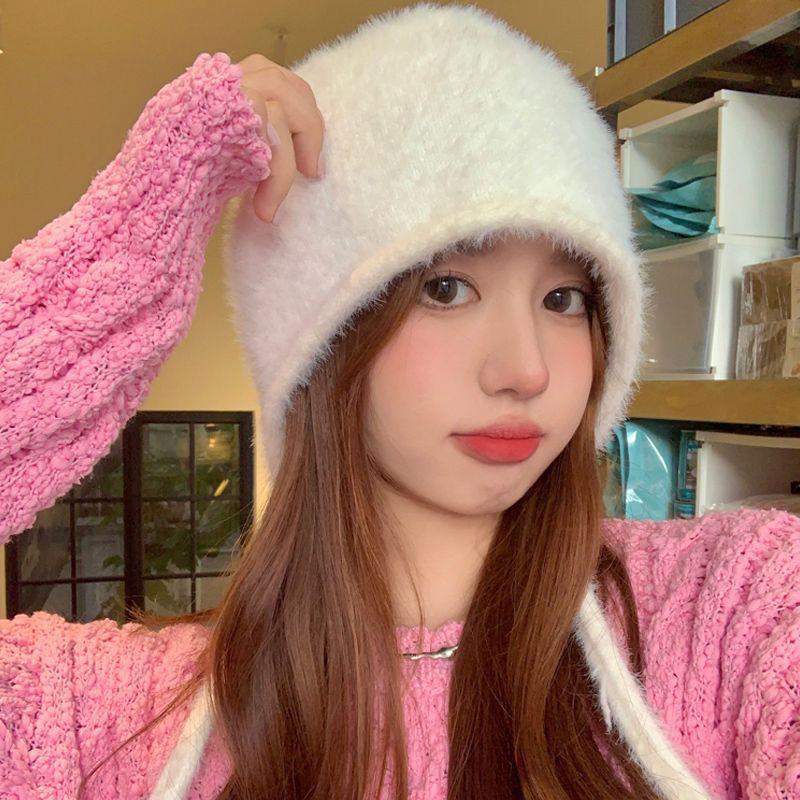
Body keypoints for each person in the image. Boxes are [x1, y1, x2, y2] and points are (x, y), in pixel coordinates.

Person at [1, 4, 798, 799]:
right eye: (446, 288)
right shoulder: (107, 719)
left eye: (565, 299)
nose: (526, 370)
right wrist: (141, 221)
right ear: (323, 342)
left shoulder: (731, 610)